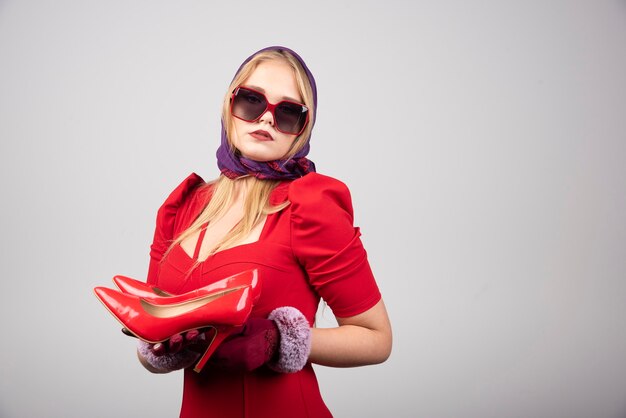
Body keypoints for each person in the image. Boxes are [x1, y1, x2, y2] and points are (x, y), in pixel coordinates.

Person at [135, 46, 392, 418]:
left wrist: (280, 341)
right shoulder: (182, 207)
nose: (267, 120)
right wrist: (163, 349)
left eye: (288, 111)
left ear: (303, 128)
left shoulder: (310, 207)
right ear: (229, 105)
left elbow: (377, 339)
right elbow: (149, 329)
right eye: (252, 101)